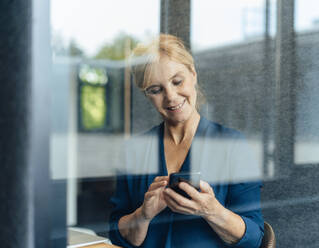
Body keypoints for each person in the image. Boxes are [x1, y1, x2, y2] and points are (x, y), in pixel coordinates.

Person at [109, 34, 264, 248]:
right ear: (147, 95)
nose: (171, 96)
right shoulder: (133, 151)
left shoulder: (232, 145)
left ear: (193, 75)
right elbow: (117, 235)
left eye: (177, 81)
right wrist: (143, 215)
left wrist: (211, 210)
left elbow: (254, 239)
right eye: (156, 90)